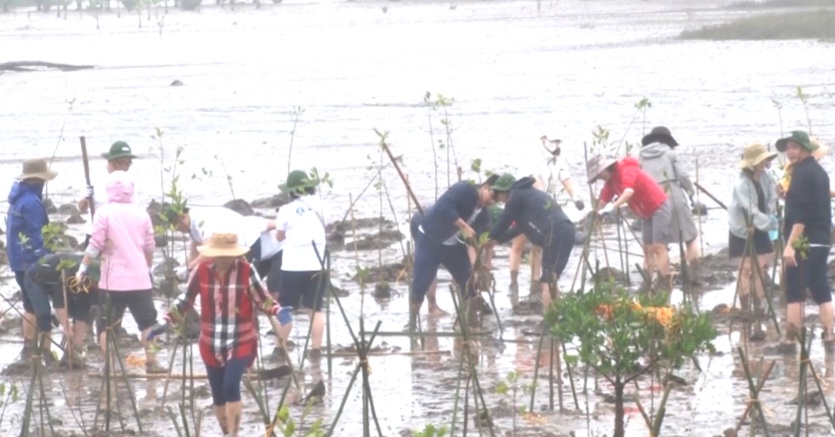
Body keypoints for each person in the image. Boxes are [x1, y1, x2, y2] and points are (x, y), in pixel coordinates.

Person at [167, 233, 285, 437]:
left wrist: (278, 311)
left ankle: (234, 433)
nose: (224, 259)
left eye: (228, 255)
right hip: (210, 342)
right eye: (219, 254)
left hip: (240, 339)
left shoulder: (247, 270)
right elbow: (186, 299)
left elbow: (262, 299)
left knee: (231, 386)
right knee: (218, 394)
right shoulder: (201, 270)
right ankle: (226, 432)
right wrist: (167, 319)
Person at [77, 170, 165, 373]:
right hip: (140, 279)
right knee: (148, 323)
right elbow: (149, 247)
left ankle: (110, 366)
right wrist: (149, 270)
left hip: (112, 281)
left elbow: (95, 244)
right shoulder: (142, 213)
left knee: (107, 327)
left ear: (109, 191)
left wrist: (82, 267)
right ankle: (152, 361)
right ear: (130, 191)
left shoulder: (103, 213)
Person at [774, 131, 833, 353]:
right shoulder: (819, 173)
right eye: (788, 148)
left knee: (795, 294)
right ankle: (829, 338)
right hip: (822, 240)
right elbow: (813, 202)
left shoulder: (800, 174)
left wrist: (790, 245)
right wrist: (788, 195)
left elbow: (802, 214)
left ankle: (789, 342)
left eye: (794, 148)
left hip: (803, 243)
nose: (790, 152)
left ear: (806, 149)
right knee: (821, 291)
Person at [410, 176, 500, 320]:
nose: (492, 201)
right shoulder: (465, 189)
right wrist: (464, 226)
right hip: (430, 239)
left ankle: (467, 320)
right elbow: (444, 208)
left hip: (452, 246)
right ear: (485, 187)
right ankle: (413, 321)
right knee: (421, 283)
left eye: (497, 200)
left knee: (468, 281)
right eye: (492, 196)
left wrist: (477, 267)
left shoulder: (483, 214)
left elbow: (475, 242)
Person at [488, 174, 575, 311]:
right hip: (568, 230)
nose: (502, 202)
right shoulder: (530, 195)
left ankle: (548, 320)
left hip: (553, 233)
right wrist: (497, 240)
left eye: (499, 197)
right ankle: (557, 315)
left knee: (546, 281)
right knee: (552, 277)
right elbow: (518, 228)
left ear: (504, 192)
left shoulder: (515, 195)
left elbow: (505, 220)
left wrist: (490, 237)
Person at [509, 136, 584, 291]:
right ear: (543, 141)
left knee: (539, 244)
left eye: (558, 143)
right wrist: (543, 197)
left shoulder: (558, 160)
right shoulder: (532, 157)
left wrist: (576, 197)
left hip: (544, 207)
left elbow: (566, 179)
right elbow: (533, 180)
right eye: (553, 143)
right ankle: (513, 282)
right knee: (518, 243)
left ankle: (535, 281)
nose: (556, 147)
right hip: (525, 205)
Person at [587, 155, 672, 291]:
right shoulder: (611, 182)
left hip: (659, 207)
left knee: (658, 247)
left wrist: (612, 207)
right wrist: (596, 212)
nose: (599, 178)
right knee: (647, 249)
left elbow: (628, 192)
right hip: (645, 213)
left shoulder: (626, 170)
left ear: (605, 168)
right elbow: (603, 201)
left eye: (599, 175)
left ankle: (664, 284)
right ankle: (647, 283)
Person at [6, 158, 57, 360]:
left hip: (17, 259)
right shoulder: (32, 203)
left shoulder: (18, 198)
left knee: (29, 304)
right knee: (40, 305)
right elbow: (36, 235)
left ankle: (28, 347)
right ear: (38, 180)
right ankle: (44, 351)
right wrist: (44, 260)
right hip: (30, 262)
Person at [273, 170, 328, 356]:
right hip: (318, 265)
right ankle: (316, 350)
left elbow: (279, 236)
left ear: (291, 191)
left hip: (293, 267)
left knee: (285, 308)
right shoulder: (322, 206)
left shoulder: (285, 210)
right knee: (315, 309)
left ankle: (280, 348)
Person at [728, 143, 779, 341]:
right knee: (746, 269)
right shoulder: (741, 183)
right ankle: (746, 309)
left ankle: (758, 307)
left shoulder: (766, 177)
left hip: (760, 226)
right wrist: (770, 223)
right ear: (753, 163)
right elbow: (750, 209)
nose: (766, 163)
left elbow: (770, 198)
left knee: (761, 268)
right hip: (743, 228)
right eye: (762, 160)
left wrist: (772, 215)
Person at [638, 126, 701, 284]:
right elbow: (682, 176)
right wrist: (691, 192)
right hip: (672, 195)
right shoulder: (669, 153)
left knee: (656, 245)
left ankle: (653, 283)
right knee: (690, 237)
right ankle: (695, 276)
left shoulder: (641, 157)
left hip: (649, 200)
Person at [164, 205, 282, 283]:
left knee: (244, 283)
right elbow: (195, 252)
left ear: (183, 217)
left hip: (248, 242)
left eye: (177, 227)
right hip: (229, 246)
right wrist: (179, 270)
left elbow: (208, 253)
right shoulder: (192, 223)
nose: (177, 230)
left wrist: (189, 269)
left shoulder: (203, 222)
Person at [24, 252, 101, 366]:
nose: (96, 285)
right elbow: (59, 302)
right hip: (36, 278)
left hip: (56, 284)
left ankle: (70, 353)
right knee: (44, 313)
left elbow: (83, 312)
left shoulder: (94, 285)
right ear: (86, 275)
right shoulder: (70, 273)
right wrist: (66, 327)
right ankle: (46, 354)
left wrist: (76, 346)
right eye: (95, 282)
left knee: (77, 312)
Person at [77, 141, 142, 248]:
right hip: (95, 233)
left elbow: (135, 209)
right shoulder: (95, 177)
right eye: (122, 163)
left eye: (128, 163)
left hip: (119, 234)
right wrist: (86, 198)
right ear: (111, 161)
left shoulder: (131, 181)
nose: (125, 167)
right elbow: (81, 207)